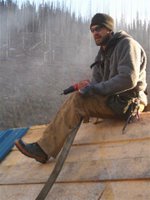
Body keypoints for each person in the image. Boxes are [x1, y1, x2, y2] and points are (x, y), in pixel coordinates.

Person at [15, 13, 148, 163]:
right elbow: (97, 84)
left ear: (109, 30)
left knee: (78, 100)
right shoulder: (101, 55)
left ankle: (43, 150)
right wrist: (89, 87)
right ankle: (48, 145)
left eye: (99, 29)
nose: (95, 33)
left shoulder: (127, 44)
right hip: (114, 101)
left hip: (128, 103)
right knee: (81, 96)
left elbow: (128, 79)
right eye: (92, 30)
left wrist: (95, 90)